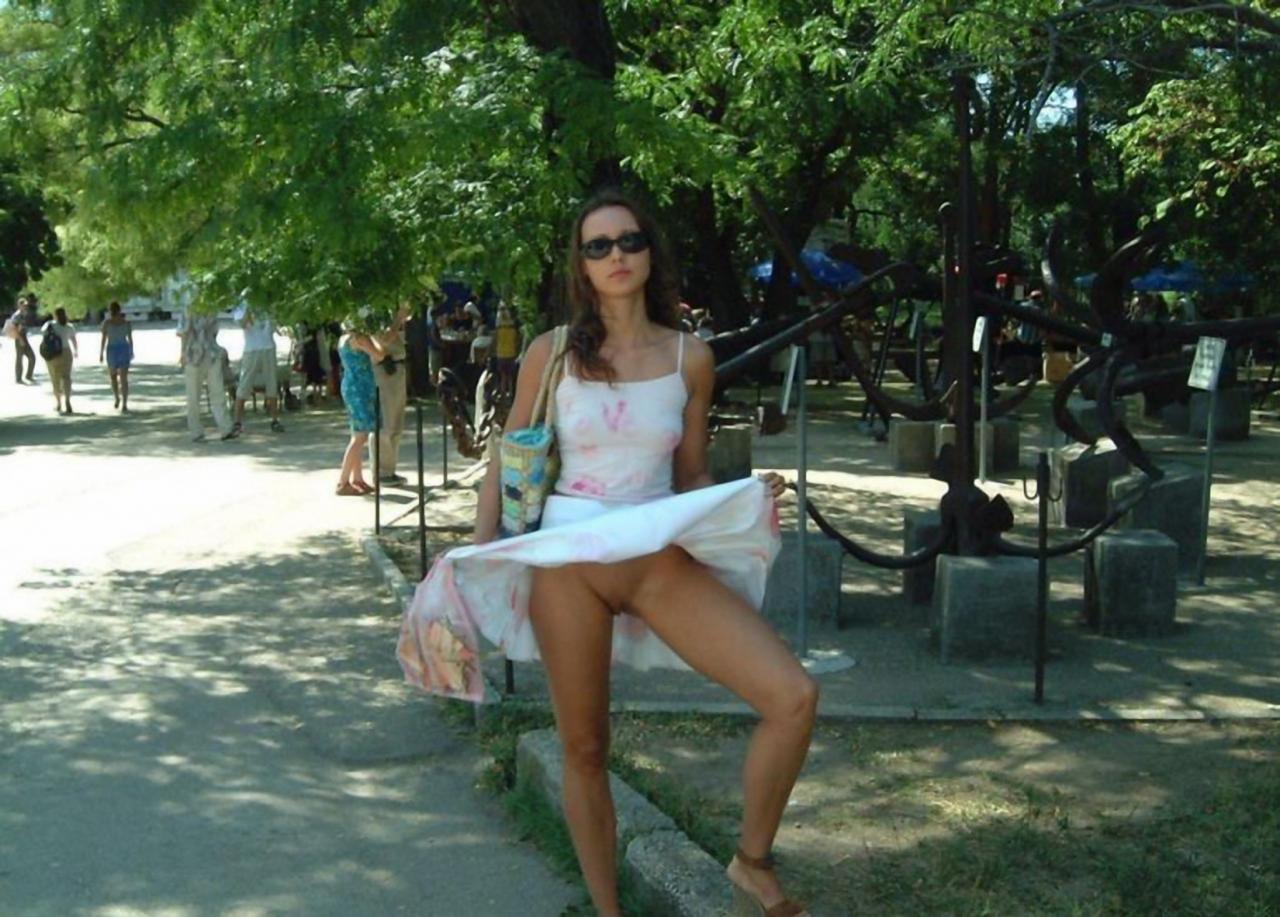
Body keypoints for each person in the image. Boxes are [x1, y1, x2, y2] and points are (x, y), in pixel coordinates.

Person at [398, 190, 814, 917]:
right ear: (582, 265)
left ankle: (752, 864)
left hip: (655, 555)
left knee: (793, 695)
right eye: (598, 246)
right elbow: (508, 455)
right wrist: (481, 549)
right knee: (586, 749)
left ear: (650, 252)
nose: (616, 255)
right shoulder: (552, 351)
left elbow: (690, 475)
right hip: (568, 564)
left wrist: (743, 498)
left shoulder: (691, 357)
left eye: (629, 241)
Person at [335, 322, 384, 495]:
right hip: (360, 387)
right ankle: (343, 482)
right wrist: (375, 339)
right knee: (361, 436)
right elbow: (379, 355)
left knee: (356, 433)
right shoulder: (360, 338)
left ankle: (358, 479)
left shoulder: (343, 338)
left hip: (350, 384)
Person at [177, 309, 238, 442]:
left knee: (216, 392)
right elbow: (183, 333)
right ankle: (196, 431)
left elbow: (184, 333)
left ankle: (226, 428)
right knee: (195, 396)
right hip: (196, 356)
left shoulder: (208, 309)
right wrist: (183, 353)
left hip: (208, 355)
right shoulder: (189, 310)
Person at [372, 304, 410, 485]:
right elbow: (385, 340)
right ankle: (383, 472)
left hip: (397, 368)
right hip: (387, 369)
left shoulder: (385, 311)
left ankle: (389, 470)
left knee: (396, 422)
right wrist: (399, 319)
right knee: (388, 422)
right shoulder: (373, 314)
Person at [232, 308, 284, 434]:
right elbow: (242, 324)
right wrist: (249, 311)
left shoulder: (268, 303)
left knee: (272, 383)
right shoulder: (243, 304)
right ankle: (237, 422)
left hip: (268, 347)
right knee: (244, 384)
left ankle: (275, 420)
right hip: (251, 349)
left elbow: (277, 327)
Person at [40, 307, 78, 414]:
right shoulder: (69, 326)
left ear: (55, 315)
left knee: (55, 378)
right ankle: (67, 401)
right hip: (66, 352)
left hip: (53, 353)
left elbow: (44, 336)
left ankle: (58, 403)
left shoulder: (49, 325)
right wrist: (76, 351)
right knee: (66, 377)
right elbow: (73, 340)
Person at [99, 301, 134, 412]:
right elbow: (130, 339)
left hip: (113, 350)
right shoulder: (125, 323)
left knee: (114, 377)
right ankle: (123, 402)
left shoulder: (107, 323)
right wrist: (131, 351)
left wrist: (101, 353)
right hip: (122, 349)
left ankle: (118, 399)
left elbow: (103, 339)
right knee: (123, 378)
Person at [10, 296, 36, 384]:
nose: (25, 307)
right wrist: (20, 339)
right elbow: (13, 328)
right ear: (19, 305)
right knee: (19, 358)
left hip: (24, 336)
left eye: (26, 305)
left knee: (32, 357)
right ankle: (18, 378)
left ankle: (29, 376)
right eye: (23, 305)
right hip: (19, 337)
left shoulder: (24, 314)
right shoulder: (17, 315)